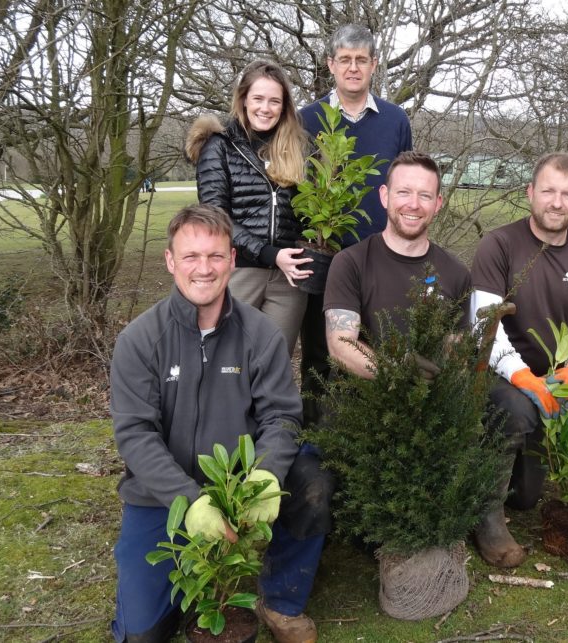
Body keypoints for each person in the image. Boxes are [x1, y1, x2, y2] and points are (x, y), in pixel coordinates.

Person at [110, 204, 332, 643]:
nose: (203, 269)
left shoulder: (261, 334)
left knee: (314, 480)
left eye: (215, 256)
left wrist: (265, 475)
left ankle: (279, 599)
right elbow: (135, 435)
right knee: (143, 635)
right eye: (191, 256)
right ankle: (186, 586)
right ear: (171, 261)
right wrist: (188, 499)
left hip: (240, 482)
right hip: (164, 496)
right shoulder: (139, 340)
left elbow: (282, 415)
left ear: (232, 260)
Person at [470, 152, 568, 568]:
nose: (556, 202)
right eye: (548, 191)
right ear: (531, 192)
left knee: (529, 498)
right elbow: (485, 326)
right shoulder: (499, 244)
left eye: (567, 194)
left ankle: (507, 483)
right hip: (492, 368)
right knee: (516, 411)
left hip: (549, 373)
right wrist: (521, 377)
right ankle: (487, 519)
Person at [299, 25, 413, 420]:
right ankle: (314, 441)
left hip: (378, 258)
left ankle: (365, 438)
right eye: (344, 59)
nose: (352, 67)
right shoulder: (307, 120)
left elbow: (405, 183)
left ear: (373, 65)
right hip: (324, 257)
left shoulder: (395, 120)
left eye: (361, 60)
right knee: (319, 351)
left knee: (373, 348)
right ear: (331, 64)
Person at [186, 59, 310, 355]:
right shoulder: (220, 146)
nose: (265, 108)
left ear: (284, 106)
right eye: (258, 98)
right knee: (226, 363)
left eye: (274, 101)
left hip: (287, 280)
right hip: (238, 272)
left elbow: (308, 213)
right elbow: (216, 216)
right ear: (243, 99)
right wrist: (268, 254)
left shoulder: (298, 149)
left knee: (273, 366)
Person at [323, 151, 468, 377]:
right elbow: (340, 346)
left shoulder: (457, 274)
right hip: (356, 404)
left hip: (428, 406)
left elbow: (457, 356)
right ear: (384, 196)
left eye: (425, 196)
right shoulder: (350, 263)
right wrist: (396, 372)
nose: (413, 204)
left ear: (438, 203)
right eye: (403, 192)